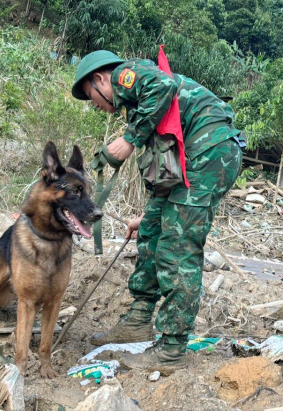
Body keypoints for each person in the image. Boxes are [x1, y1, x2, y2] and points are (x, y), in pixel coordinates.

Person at [71, 50, 245, 375]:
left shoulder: (128, 74)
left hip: (209, 153)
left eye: (92, 97)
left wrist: (128, 140)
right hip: (194, 158)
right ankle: (138, 319)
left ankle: (171, 349)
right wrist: (147, 214)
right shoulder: (141, 107)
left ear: (99, 80)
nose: (95, 105)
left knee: (177, 249)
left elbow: (163, 86)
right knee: (151, 232)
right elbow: (166, 164)